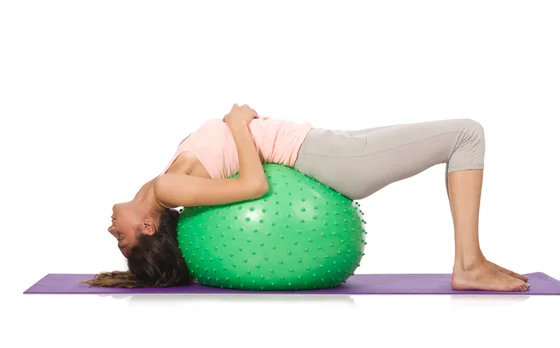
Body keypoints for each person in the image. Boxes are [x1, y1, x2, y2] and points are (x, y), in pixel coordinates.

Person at [86, 104, 530, 292]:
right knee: (467, 135)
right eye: (121, 240)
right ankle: (469, 265)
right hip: (330, 159)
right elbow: (253, 187)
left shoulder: (170, 179)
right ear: (148, 226)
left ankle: (473, 263)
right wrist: (240, 125)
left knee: (461, 135)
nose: (112, 230)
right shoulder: (168, 189)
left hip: (326, 147)